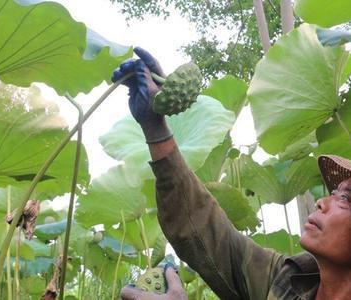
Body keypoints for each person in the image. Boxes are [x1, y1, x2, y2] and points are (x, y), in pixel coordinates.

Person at [113, 48, 351, 300]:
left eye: (346, 198)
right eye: (333, 193)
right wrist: (155, 126)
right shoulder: (285, 281)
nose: (322, 202)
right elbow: (208, 234)